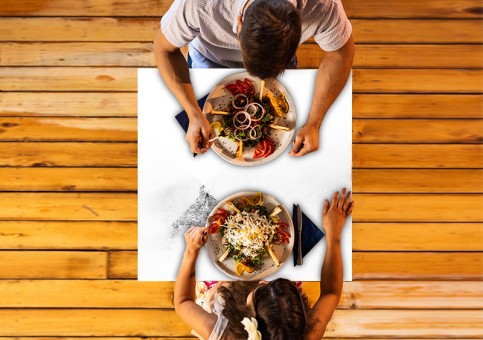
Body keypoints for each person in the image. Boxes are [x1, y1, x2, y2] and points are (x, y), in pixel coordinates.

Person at [154, 0, 355, 156]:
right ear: (239, 23)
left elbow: (340, 54)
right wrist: (193, 113)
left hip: (281, 68)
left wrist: (314, 123)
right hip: (209, 60)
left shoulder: (323, 6)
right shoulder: (197, 5)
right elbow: (163, 49)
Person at [174, 188, 353, 339]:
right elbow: (331, 293)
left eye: (262, 289)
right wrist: (334, 235)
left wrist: (191, 251)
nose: (264, 281)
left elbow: (183, 302)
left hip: (223, 293)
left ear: (249, 318)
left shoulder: (225, 334)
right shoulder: (306, 335)